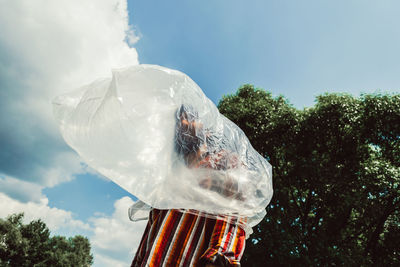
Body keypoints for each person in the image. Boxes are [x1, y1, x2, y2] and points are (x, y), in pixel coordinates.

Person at [131, 105, 247, 267]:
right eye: (177, 121)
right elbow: (151, 231)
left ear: (205, 125)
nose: (182, 124)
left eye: (189, 117)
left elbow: (233, 215)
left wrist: (218, 258)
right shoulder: (172, 174)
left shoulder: (224, 161)